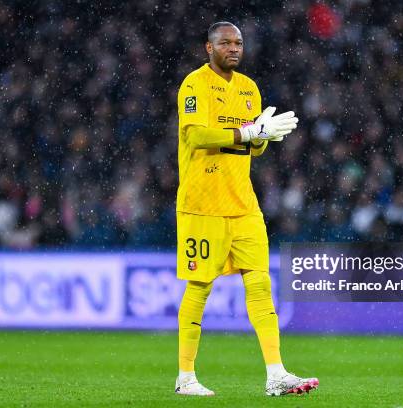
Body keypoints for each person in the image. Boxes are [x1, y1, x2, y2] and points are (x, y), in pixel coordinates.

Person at [174, 21, 318, 397]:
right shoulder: (195, 84)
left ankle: (276, 374)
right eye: (225, 43)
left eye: (238, 43)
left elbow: (253, 148)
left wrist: (264, 134)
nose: (234, 49)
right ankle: (185, 377)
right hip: (202, 204)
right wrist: (249, 132)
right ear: (209, 48)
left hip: (243, 204)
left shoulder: (249, 89)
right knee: (200, 285)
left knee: (259, 281)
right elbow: (197, 135)